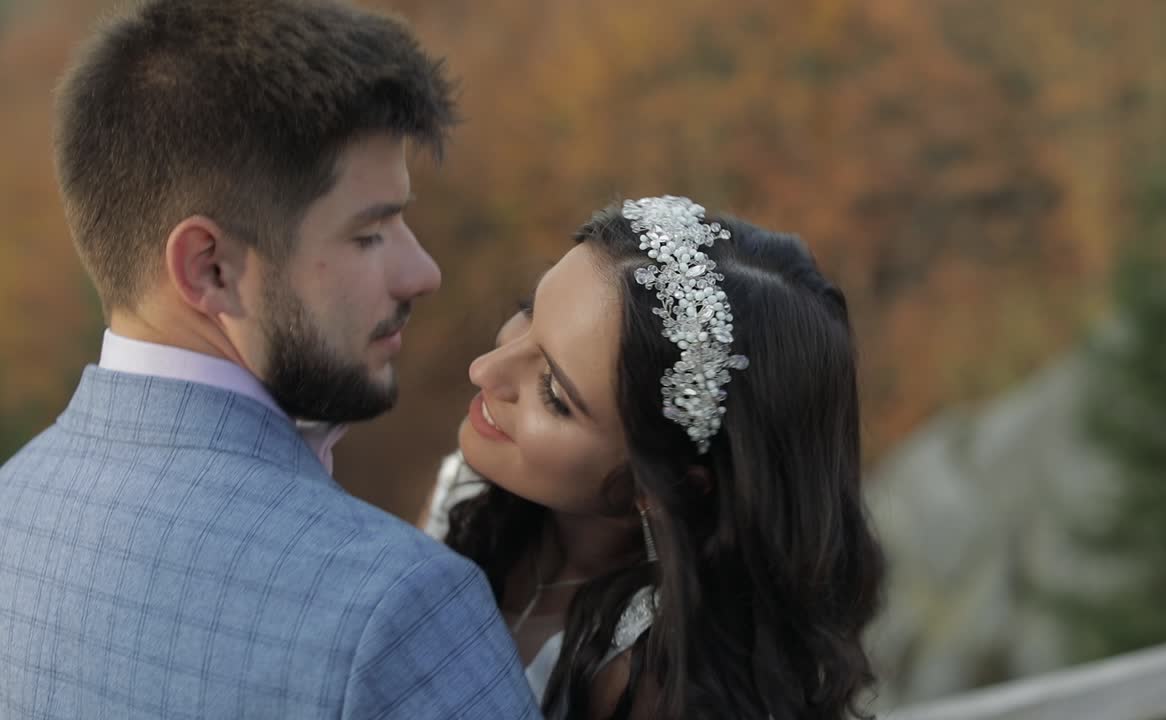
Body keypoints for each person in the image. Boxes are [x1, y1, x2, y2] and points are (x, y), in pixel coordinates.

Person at [0, 1, 539, 717]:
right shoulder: (398, 609)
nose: (423, 273)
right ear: (210, 268)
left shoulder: (13, 506)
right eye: (370, 233)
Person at [428, 196, 886, 719]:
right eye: (528, 311)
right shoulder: (466, 491)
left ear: (674, 482)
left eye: (555, 392)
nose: (485, 370)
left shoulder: (656, 685)